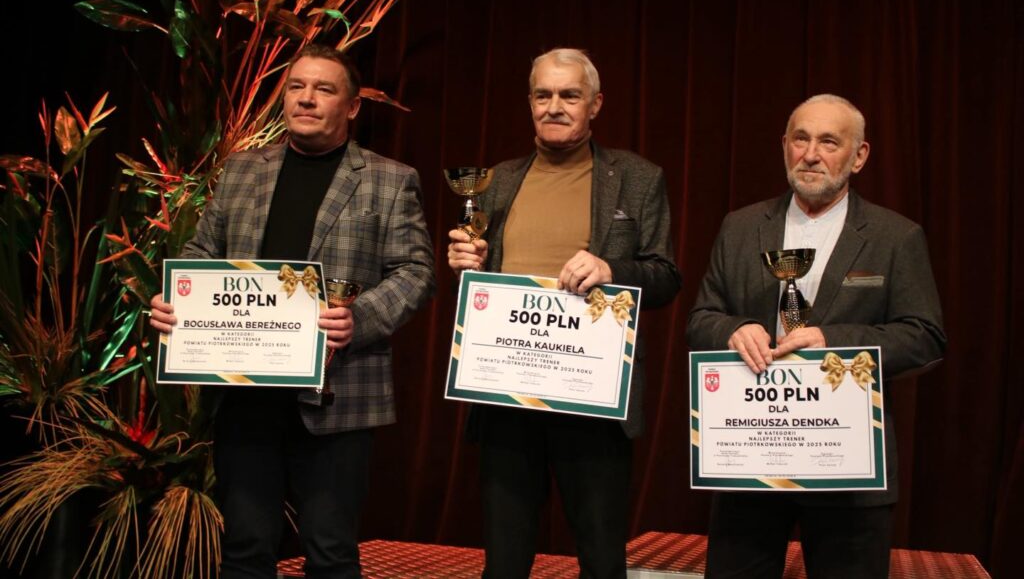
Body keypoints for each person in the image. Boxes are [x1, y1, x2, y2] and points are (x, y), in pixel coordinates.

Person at [148, 44, 435, 578]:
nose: (306, 98)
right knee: (244, 551)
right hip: (246, 393)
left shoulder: (390, 179)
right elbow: (201, 253)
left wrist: (359, 318)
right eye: (297, 87)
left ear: (352, 107)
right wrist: (176, 302)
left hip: (337, 395)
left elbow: (417, 272)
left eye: (324, 89)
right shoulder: (241, 170)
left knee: (330, 554)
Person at [687, 94, 946, 578]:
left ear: (859, 156)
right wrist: (733, 328)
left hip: (847, 465)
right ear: (784, 146)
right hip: (751, 458)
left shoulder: (895, 237)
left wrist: (832, 340)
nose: (810, 154)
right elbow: (702, 317)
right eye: (801, 139)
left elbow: (924, 336)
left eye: (829, 142)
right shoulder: (740, 226)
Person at [448, 48, 681, 578]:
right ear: (530, 102)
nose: (554, 106)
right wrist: (468, 263)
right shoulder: (495, 181)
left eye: (570, 95)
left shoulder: (638, 177)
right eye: (543, 95)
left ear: (595, 104)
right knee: (504, 563)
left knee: (601, 560)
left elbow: (666, 275)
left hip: (593, 399)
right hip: (506, 395)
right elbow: (481, 276)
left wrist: (611, 268)